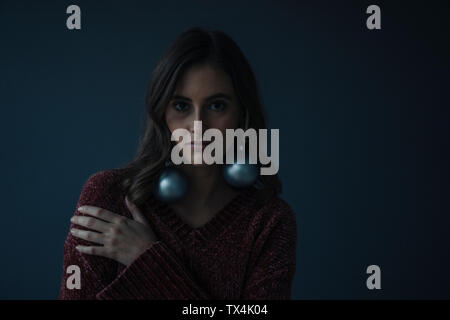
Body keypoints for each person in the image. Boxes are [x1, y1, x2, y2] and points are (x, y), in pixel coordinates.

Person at [59, 27, 297, 299]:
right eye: (182, 106)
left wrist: (148, 262)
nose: (198, 126)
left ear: (242, 113)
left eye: (217, 105)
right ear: (162, 112)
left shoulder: (269, 222)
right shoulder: (108, 196)